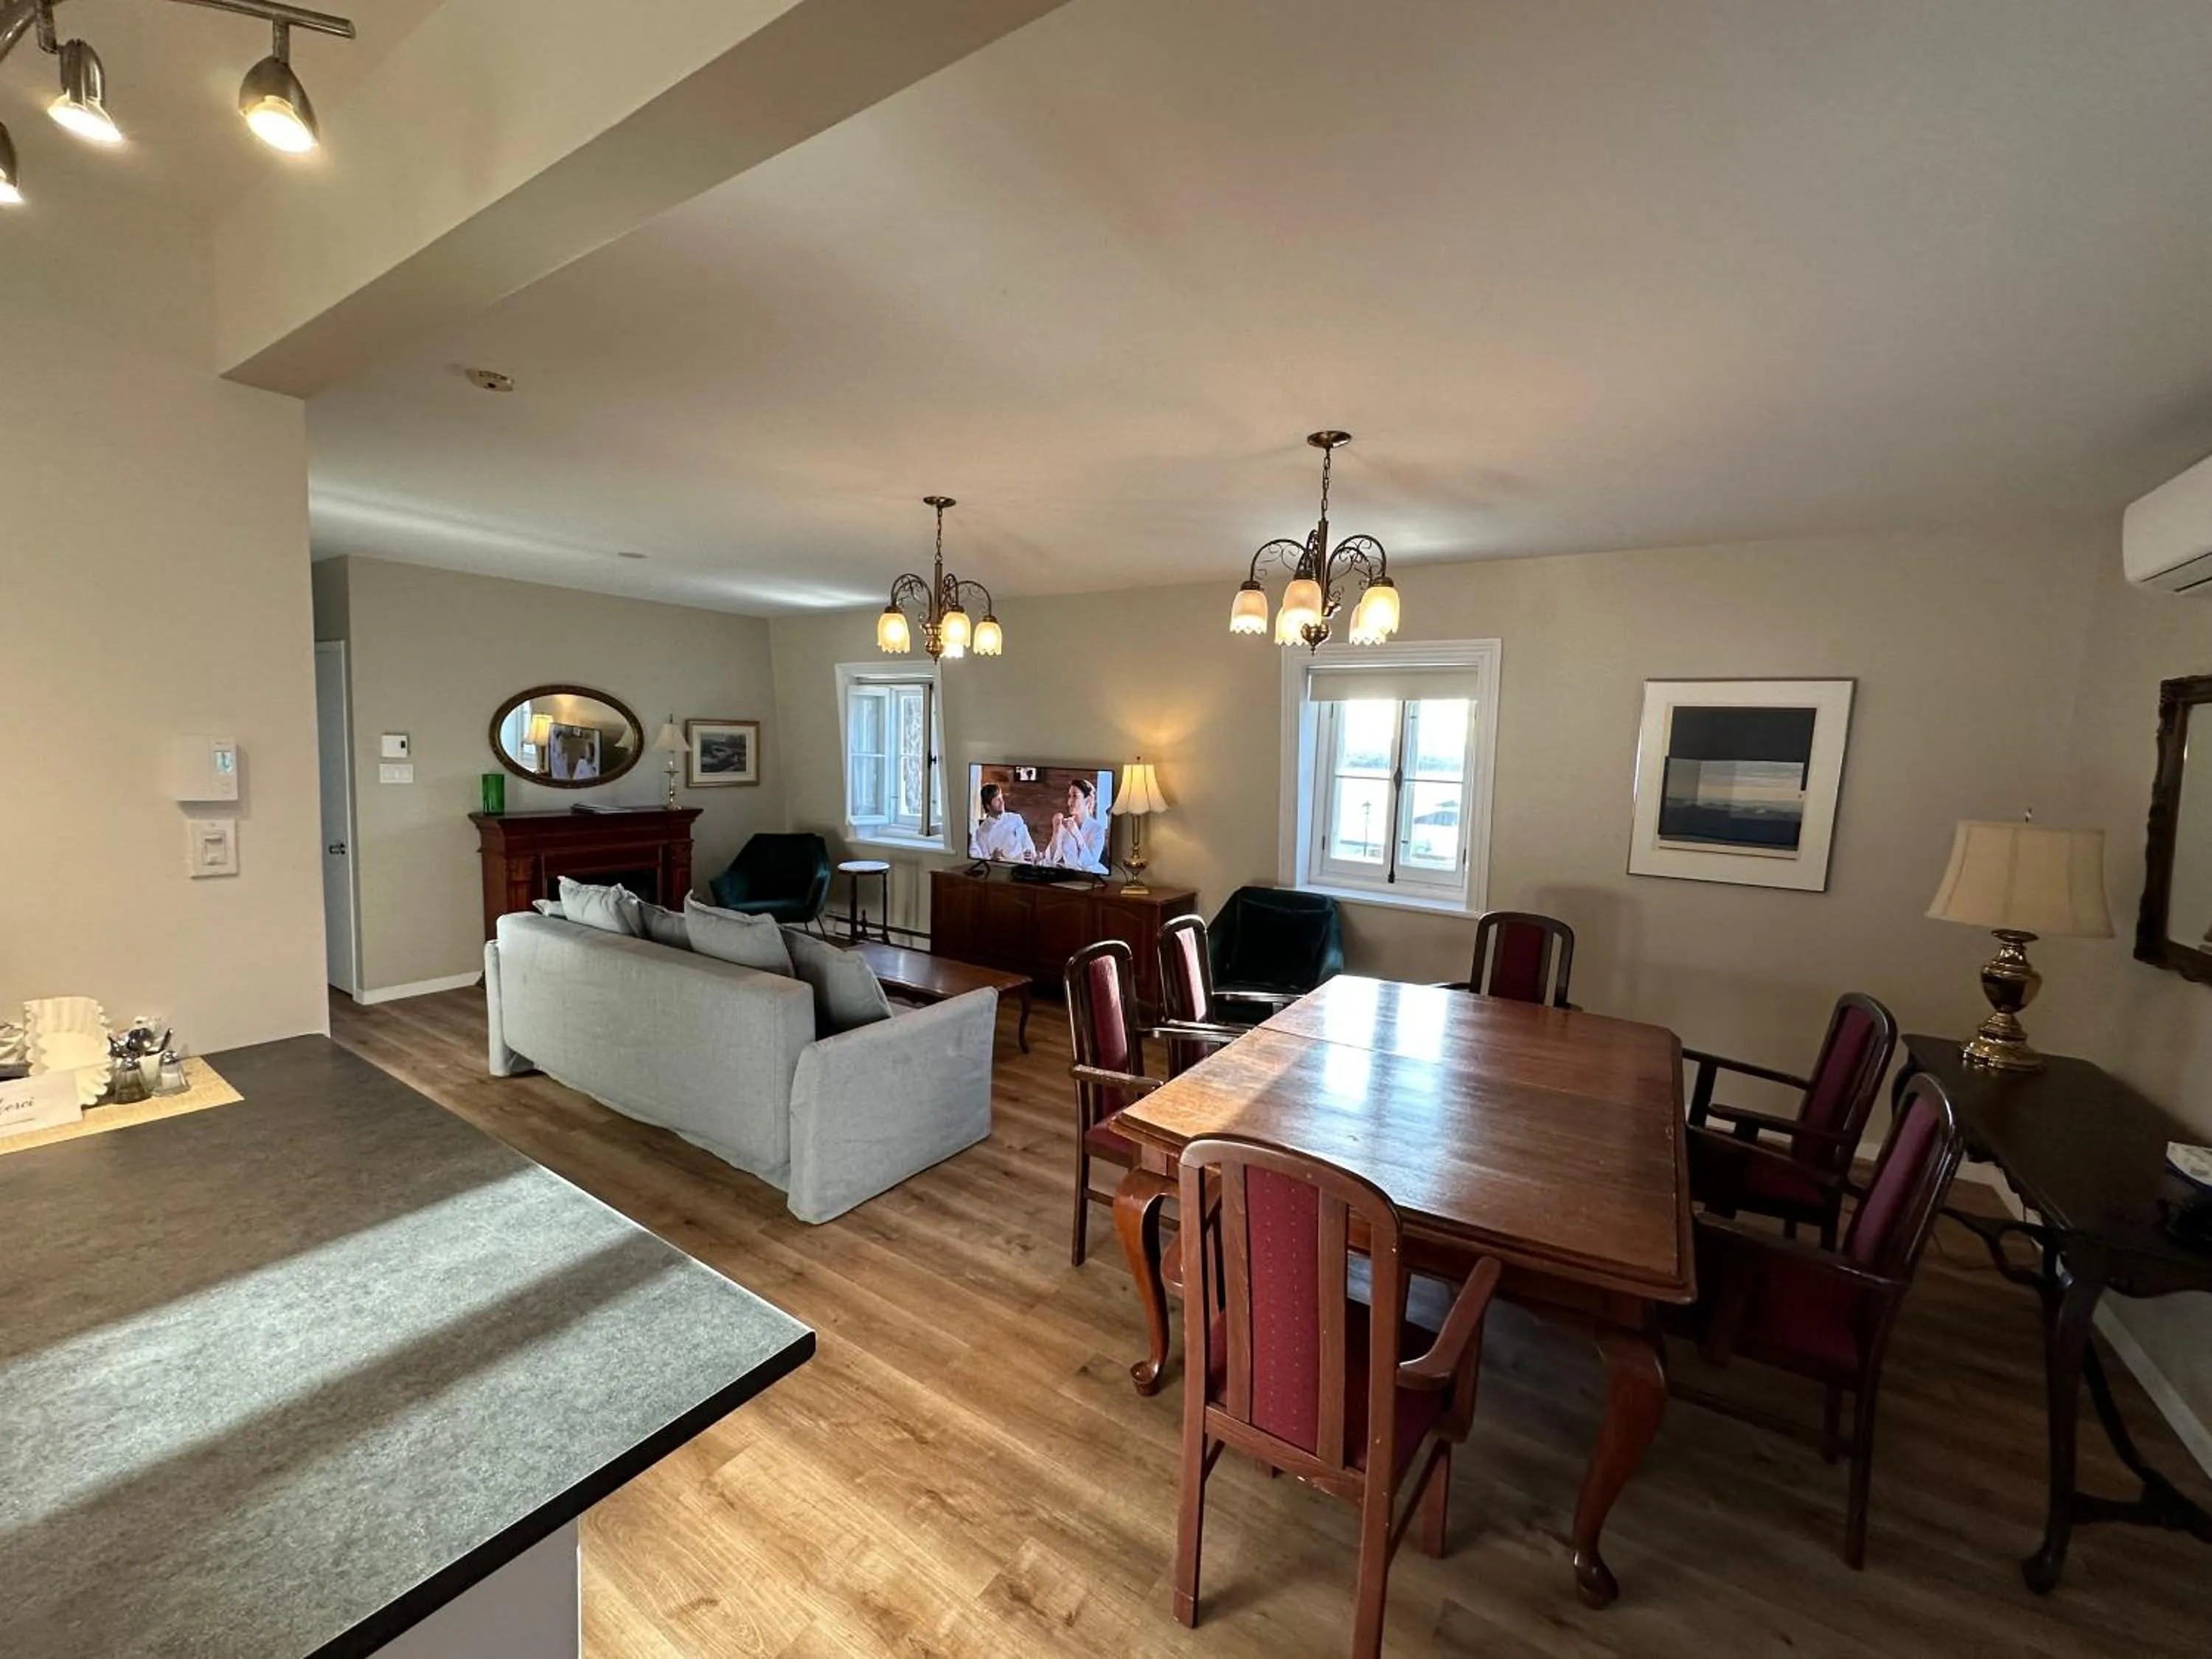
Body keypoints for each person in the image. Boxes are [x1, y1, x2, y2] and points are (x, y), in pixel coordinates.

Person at [1041, 776, 1109, 873]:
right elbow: (1050, 860)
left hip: (1093, 878)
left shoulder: (1097, 829)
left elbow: (1090, 864)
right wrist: (1056, 832)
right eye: (1069, 796)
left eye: (1075, 796)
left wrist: (1076, 834)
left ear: (1088, 800)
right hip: (1070, 876)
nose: (1069, 802)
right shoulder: (1065, 825)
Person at [969, 782, 1037, 863]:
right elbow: (984, 860)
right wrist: (993, 858)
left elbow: (1027, 843)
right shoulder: (982, 832)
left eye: (1001, 798)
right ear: (988, 806)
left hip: (1023, 865)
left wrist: (1031, 854)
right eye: (997, 800)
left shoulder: (1015, 819)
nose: (1002, 802)